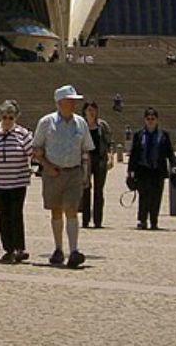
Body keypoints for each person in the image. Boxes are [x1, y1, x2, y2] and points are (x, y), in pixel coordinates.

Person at [32, 85, 94, 268]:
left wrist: (86, 174)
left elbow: (86, 150)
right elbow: (37, 149)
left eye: (74, 101)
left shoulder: (80, 122)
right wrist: (47, 167)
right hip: (54, 172)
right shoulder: (46, 122)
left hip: (73, 172)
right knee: (56, 210)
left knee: (71, 208)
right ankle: (58, 248)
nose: (73, 104)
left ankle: (74, 250)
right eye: (70, 100)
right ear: (59, 102)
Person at [0, 100, 33, 263]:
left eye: (10, 117)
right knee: (3, 216)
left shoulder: (22, 134)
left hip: (18, 181)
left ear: (15, 117)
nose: (7, 121)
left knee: (16, 214)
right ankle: (8, 249)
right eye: (4, 117)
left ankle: (19, 248)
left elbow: (32, 152)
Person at [127, 107, 176, 230]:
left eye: (152, 119)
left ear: (157, 120)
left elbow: (170, 152)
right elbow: (134, 154)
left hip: (157, 170)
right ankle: (142, 220)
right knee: (143, 196)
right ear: (144, 120)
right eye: (148, 119)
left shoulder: (163, 135)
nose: (150, 121)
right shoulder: (139, 135)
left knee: (156, 196)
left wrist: (174, 165)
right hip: (143, 170)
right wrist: (130, 171)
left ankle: (154, 220)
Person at [79, 101, 113, 229]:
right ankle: (85, 219)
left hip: (99, 159)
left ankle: (98, 220)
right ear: (84, 111)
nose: (91, 112)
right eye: (89, 109)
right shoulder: (80, 125)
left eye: (93, 109)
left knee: (99, 190)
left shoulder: (102, 125)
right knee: (85, 189)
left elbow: (109, 143)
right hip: (85, 159)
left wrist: (110, 158)